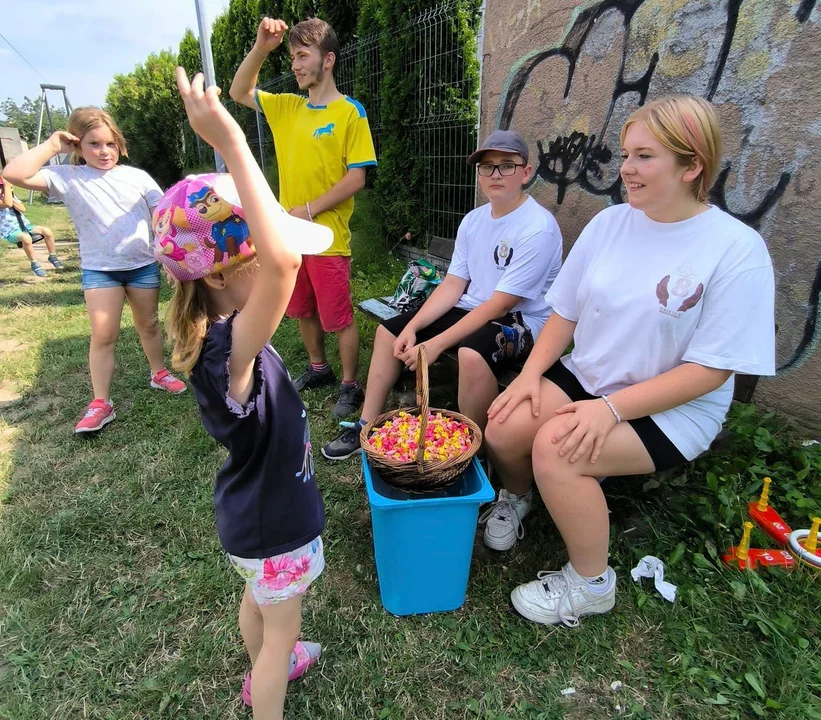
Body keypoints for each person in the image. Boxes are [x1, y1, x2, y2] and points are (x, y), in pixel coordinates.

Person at [484, 95, 776, 627]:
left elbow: (711, 370)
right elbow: (565, 315)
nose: (625, 169)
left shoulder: (736, 248)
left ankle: (591, 584)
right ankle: (518, 496)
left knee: (557, 448)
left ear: (693, 166)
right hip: (590, 375)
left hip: (672, 407)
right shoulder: (609, 223)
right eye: (625, 154)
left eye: (644, 156)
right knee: (503, 425)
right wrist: (528, 376)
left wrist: (611, 410)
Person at [160, 68, 334, 719]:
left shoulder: (222, 342)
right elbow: (287, 264)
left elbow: (277, 259)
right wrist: (233, 142)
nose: (277, 257)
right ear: (238, 265)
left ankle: (273, 657)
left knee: (258, 602)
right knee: (277, 637)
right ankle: (272, 678)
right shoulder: (226, 351)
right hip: (274, 531)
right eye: (265, 249)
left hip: (254, 531)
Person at [322, 130, 563, 468]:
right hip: (475, 308)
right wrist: (416, 326)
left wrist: (434, 345)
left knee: (471, 355)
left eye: (506, 166)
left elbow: (501, 305)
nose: (495, 175)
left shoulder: (538, 227)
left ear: (526, 172)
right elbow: (453, 284)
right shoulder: (474, 220)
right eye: (487, 167)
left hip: (524, 320)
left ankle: (474, 454)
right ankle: (365, 426)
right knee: (388, 331)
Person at [2, 107, 186, 434]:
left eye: (110, 144)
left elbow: (163, 217)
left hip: (142, 265)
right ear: (77, 146)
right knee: (104, 334)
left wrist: (170, 255)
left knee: (149, 325)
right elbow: (15, 174)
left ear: (119, 143)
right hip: (100, 271)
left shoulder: (137, 177)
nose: (104, 152)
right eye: (94, 144)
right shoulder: (66, 178)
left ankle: (159, 373)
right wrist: (51, 146)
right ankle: (101, 403)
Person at [230, 17, 377, 417]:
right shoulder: (286, 107)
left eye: (302, 55)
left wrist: (310, 209)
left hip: (328, 237)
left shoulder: (350, 112)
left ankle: (350, 384)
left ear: (327, 60)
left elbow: (357, 176)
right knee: (301, 308)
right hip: (288, 237)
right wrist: (262, 47)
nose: (294, 64)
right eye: (292, 56)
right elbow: (238, 90)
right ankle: (319, 369)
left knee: (339, 317)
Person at [0, 177, 63, 276]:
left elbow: (22, 209)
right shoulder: (4, 200)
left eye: (1, 187)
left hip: (24, 226)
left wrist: (11, 198)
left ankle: (52, 256)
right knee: (26, 238)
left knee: (47, 231)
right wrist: (7, 187)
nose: (1, 189)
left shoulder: (10, 197)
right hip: (10, 231)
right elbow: (7, 204)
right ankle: (34, 263)